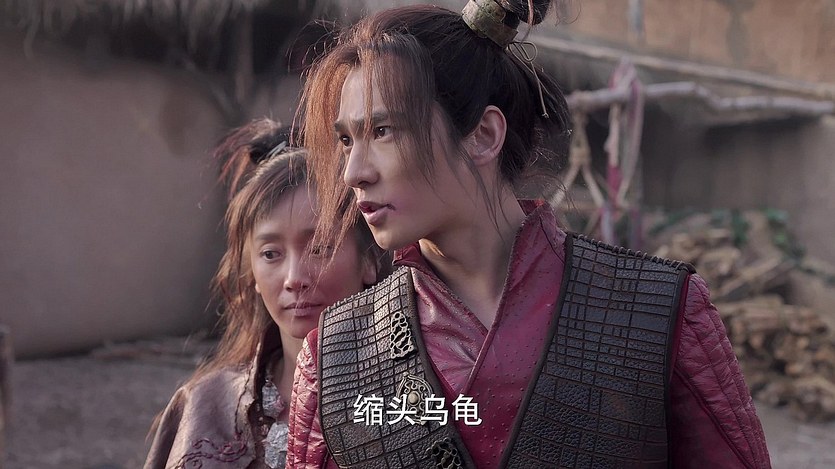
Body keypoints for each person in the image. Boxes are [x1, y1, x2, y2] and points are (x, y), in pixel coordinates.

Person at [287, 1, 771, 468]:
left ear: (483, 136)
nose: (353, 172)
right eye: (346, 139)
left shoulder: (658, 311)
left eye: (383, 131)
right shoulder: (337, 356)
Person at [144, 119, 387, 469]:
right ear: (253, 273)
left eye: (320, 248)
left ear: (369, 261)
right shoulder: (204, 407)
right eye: (271, 254)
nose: (294, 278)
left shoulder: (412, 405)